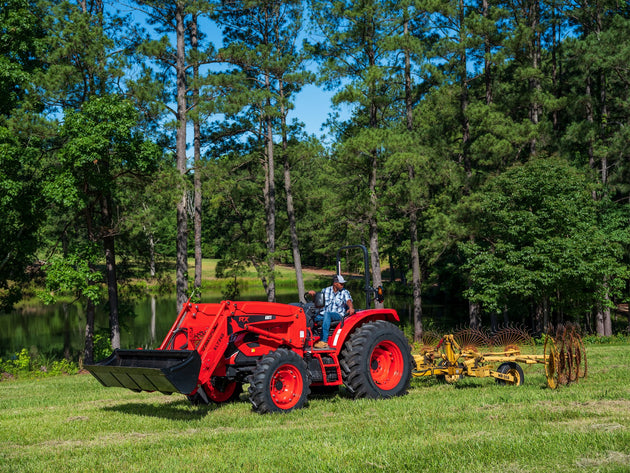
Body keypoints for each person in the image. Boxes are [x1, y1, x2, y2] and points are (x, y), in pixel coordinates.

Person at [308, 274, 355, 349]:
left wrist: (351, 308)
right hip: (324, 315)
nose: (342, 285)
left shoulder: (344, 292)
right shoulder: (325, 290)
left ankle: (324, 341)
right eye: (341, 284)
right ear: (335, 283)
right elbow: (318, 301)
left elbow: (348, 301)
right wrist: (314, 295)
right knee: (308, 317)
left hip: (338, 315)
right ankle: (308, 338)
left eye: (343, 284)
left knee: (328, 314)